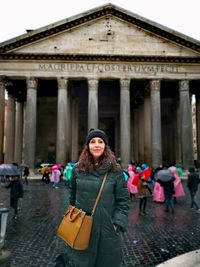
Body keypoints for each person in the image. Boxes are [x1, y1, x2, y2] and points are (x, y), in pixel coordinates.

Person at [59, 128, 130, 267]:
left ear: (105, 146)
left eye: (100, 141)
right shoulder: (77, 169)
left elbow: (124, 201)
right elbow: (71, 196)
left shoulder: (115, 171)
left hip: (107, 230)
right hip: (81, 228)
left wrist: (117, 224)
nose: (96, 145)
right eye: (92, 141)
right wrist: (69, 217)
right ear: (88, 146)